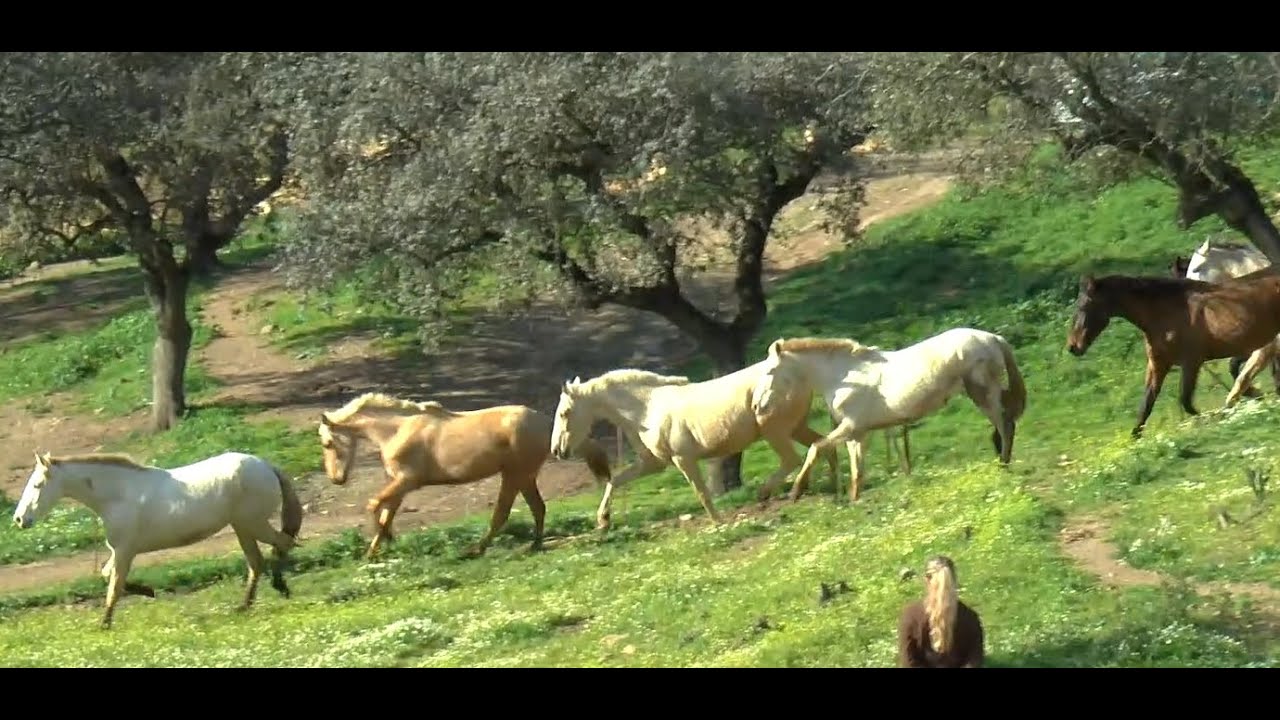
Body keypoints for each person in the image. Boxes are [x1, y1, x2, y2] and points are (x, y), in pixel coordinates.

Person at [897, 555, 984, 667]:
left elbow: (909, 662)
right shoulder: (970, 617)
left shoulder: (910, 615)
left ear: (926, 580)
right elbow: (974, 660)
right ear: (955, 580)